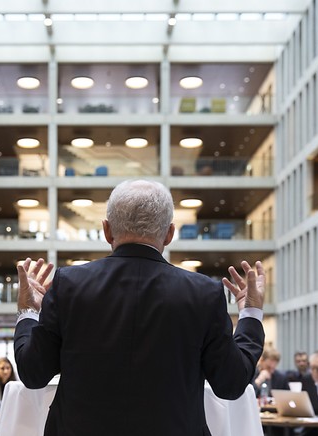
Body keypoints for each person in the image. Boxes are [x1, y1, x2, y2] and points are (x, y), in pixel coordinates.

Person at [14, 179, 266, 435]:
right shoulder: (204, 293)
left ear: (107, 231)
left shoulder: (68, 284)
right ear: (169, 234)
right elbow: (231, 383)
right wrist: (251, 313)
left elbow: (33, 373)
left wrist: (28, 312)